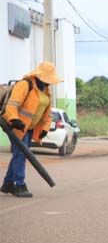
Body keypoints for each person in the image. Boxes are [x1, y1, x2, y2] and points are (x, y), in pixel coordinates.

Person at [1, 62, 63, 198]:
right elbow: (12, 104)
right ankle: (20, 185)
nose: (50, 82)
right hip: (15, 126)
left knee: (20, 154)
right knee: (21, 155)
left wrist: (45, 128)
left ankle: (7, 184)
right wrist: (14, 120)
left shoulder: (45, 90)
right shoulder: (25, 85)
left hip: (30, 127)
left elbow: (47, 113)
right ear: (40, 75)